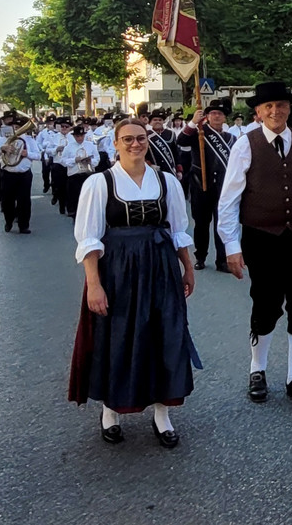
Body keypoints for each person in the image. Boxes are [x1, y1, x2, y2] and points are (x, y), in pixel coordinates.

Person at [68, 118, 200, 448]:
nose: (135, 144)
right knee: (118, 337)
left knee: (164, 335)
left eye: (140, 138)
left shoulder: (166, 181)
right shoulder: (100, 184)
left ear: (147, 141)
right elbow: (88, 239)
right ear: (115, 144)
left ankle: (162, 414)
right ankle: (110, 411)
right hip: (118, 271)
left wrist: (187, 267)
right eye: (127, 139)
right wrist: (94, 285)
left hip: (160, 268)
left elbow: (177, 230)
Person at [217, 82, 292, 408]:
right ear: (258, 111)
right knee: (266, 304)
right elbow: (229, 199)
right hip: (261, 237)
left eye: (281, 105)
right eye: (268, 106)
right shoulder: (245, 144)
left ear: (289, 108)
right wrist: (231, 246)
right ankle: (258, 369)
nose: (275, 111)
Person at [177, 99, 235, 271]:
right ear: (207, 117)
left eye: (220, 113)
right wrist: (194, 122)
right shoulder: (199, 133)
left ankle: (222, 260)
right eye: (213, 113)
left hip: (222, 187)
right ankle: (200, 256)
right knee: (201, 224)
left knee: (221, 223)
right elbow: (181, 140)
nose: (216, 116)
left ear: (225, 118)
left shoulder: (231, 139)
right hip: (200, 185)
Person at [0, 114, 41, 234]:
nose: (16, 129)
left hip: (24, 174)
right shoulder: (4, 140)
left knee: (24, 201)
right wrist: (3, 149)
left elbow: (38, 155)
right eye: (14, 127)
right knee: (7, 201)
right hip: (8, 173)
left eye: (18, 127)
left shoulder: (29, 140)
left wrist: (28, 154)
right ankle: (9, 221)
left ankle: (24, 225)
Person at [61, 125, 99, 219]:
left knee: (89, 197)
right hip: (75, 174)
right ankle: (76, 215)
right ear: (74, 136)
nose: (80, 138)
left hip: (88, 173)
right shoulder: (69, 147)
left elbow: (97, 158)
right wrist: (75, 160)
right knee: (75, 197)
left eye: (82, 136)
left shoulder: (90, 145)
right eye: (77, 136)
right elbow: (63, 161)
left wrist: (90, 161)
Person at [146, 108, 180, 177]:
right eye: (155, 120)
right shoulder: (146, 135)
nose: (158, 122)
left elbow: (176, 153)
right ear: (150, 122)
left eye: (160, 120)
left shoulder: (171, 134)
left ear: (163, 122)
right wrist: (149, 165)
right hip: (153, 171)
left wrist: (179, 170)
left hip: (169, 170)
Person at [37, 114, 59, 193]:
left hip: (54, 154)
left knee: (54, 173)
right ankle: (46, 184)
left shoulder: (57, 133)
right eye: (49, 123)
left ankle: (54, 189)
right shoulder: (42, 132)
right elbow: (38, 142)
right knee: (45, 172)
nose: (51, 124)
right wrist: (42, 150)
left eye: (53, 123)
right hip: (45, 152)